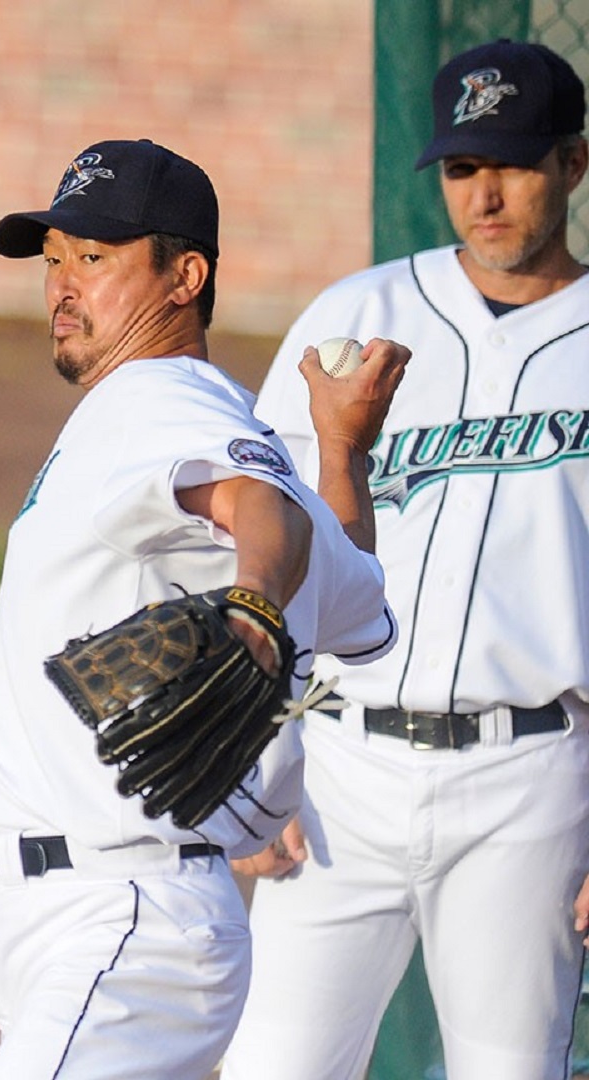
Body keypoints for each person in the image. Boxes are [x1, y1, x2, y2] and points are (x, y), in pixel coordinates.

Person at [0, 137, 409, 1080]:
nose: (63, 286)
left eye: (94, 258)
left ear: (186, 277)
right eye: (54, 259)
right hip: (91, 917)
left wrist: (253, 611)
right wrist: (342, 451)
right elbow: (354, 594)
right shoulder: (200, 420)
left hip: (120, 915)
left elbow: (261, 509)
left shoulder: (158, 400)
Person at [221, 38, 589, 1080]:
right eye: (463, 169)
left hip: (529, 776)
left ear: (574, 164)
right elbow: (261, 534)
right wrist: (255, 758)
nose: (485, 197)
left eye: (513, 165)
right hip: (340, 772)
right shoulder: (357, 313)